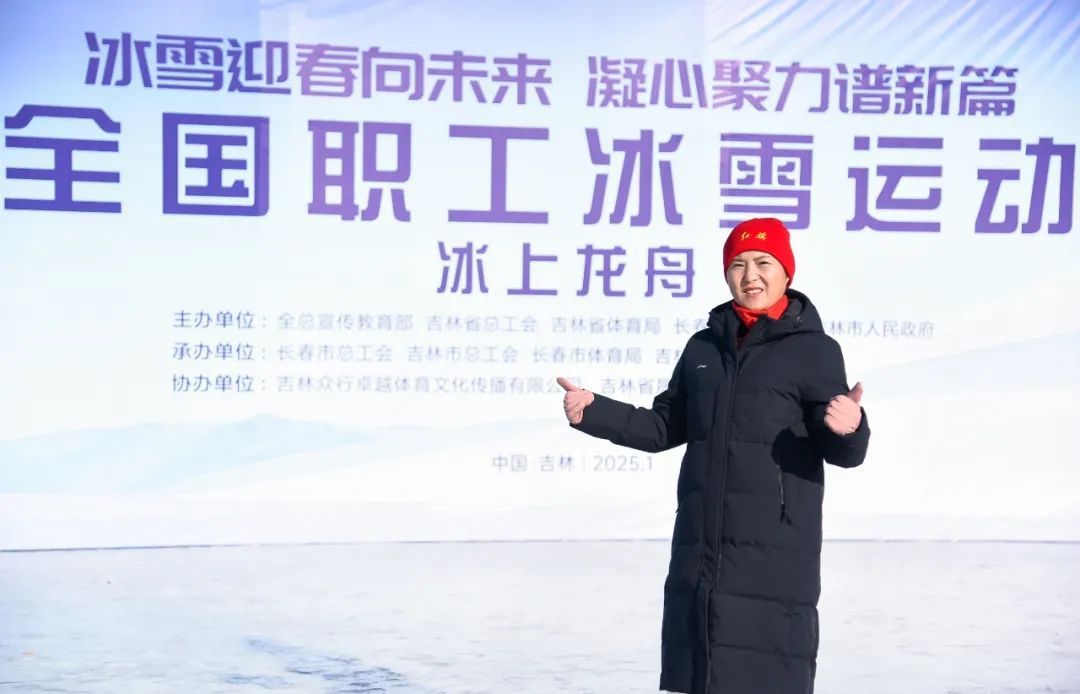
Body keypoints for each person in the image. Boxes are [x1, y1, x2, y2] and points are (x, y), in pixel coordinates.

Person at [557, 217, 869, 694]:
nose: (750, 276)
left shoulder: (814, 351)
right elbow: (665, 426)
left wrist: (849, 428)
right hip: (701, 547)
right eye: (738, 265)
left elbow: (842, 451)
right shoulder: (703, 347)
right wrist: (594, 411)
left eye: (763, 263)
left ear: (787, 272)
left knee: (765, 677)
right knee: (700, 675)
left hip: (773, 553)